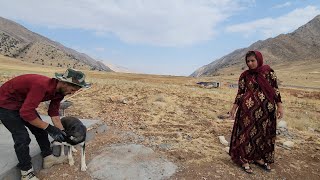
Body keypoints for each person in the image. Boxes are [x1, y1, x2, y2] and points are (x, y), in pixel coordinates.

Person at [0, 68, 91, 180]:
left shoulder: (59, 92)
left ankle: (48, 158)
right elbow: (26, 113)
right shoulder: (41, 86)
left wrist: (61, 131)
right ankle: (26, 173)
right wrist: (49, 128)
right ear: (63, 82)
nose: (71, 93)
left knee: (40, 130)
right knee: (22, 137)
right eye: (72, 90)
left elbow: (54, 112)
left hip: (23, 103)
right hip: (5, 104)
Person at [229, 50, 283, 174]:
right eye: (248, 61)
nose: (250, 63)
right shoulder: (244, 75)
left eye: (252, 60)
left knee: (262, 134)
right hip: (247, 111)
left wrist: (280, 106)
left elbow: (275, 90)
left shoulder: (268, 72)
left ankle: (258, 158)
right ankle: (244, 159)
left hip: (266, 111)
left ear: (259, 59)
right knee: (245, 134)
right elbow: (240, 93)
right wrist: (233, 108)